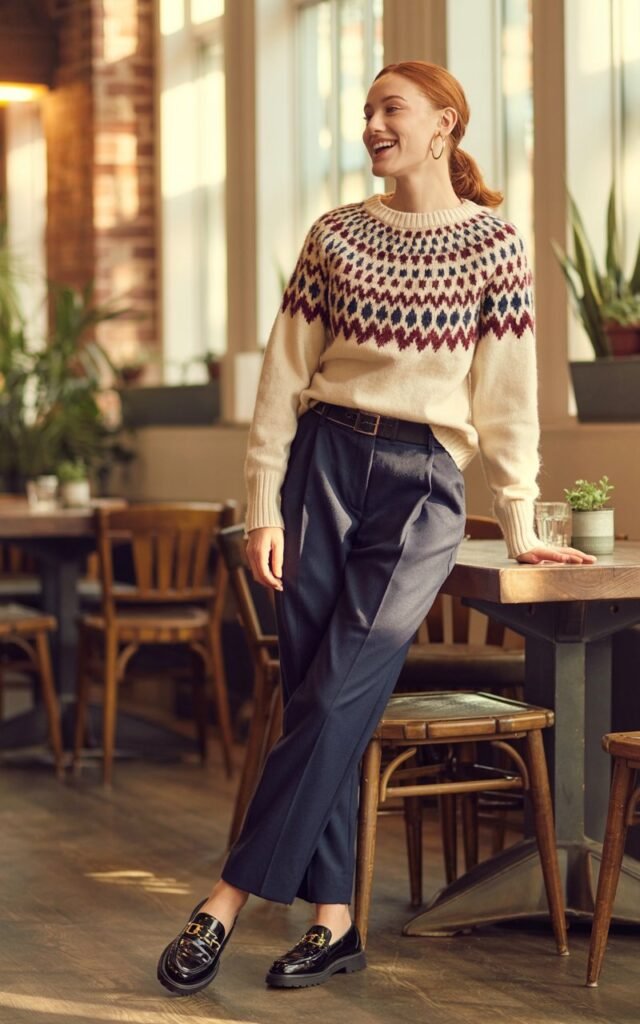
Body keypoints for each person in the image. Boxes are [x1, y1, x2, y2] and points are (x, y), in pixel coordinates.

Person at [157, 59, 596, 997]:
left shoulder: (494, 245)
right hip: (320, 461)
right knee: (316, 687)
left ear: (444, 123)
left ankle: (223, 901)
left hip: (421, 481)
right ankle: (335, 922)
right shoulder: (334, 236)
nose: (372, 124)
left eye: (390, 108)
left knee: (337, 687)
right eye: (365, 111)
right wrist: (263, 502)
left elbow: (508, 399)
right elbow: (284, 374)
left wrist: (520, 519)